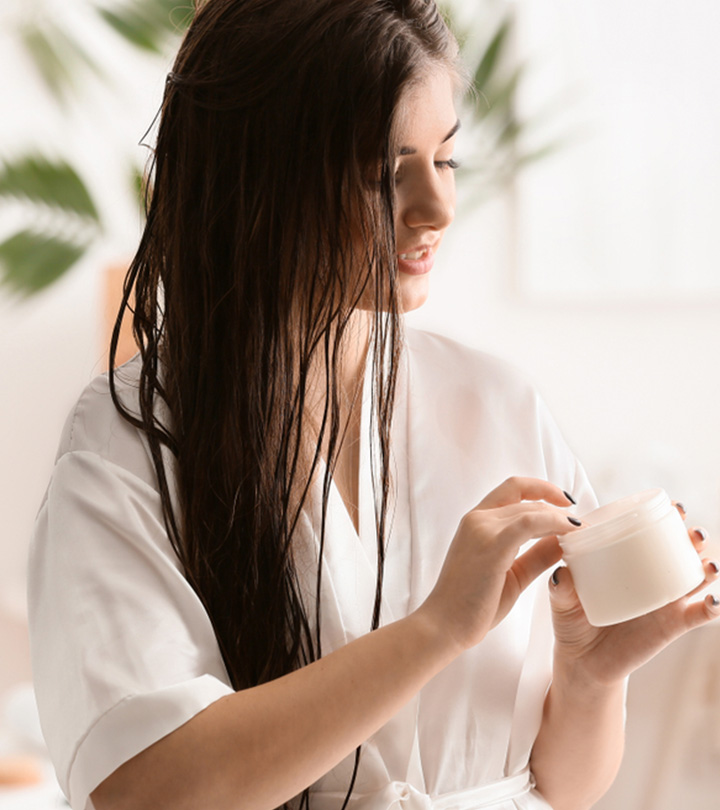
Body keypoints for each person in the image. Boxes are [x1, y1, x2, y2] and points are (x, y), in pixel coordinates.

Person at [27, 1, 719, 809]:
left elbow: (558, 785)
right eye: (385, 174)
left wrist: (593, 674)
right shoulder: (128, 443)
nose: (437, 209)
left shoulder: (498, 404)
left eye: (447, 160)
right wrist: (435, 630)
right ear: (257, 178)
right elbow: (146, 792)